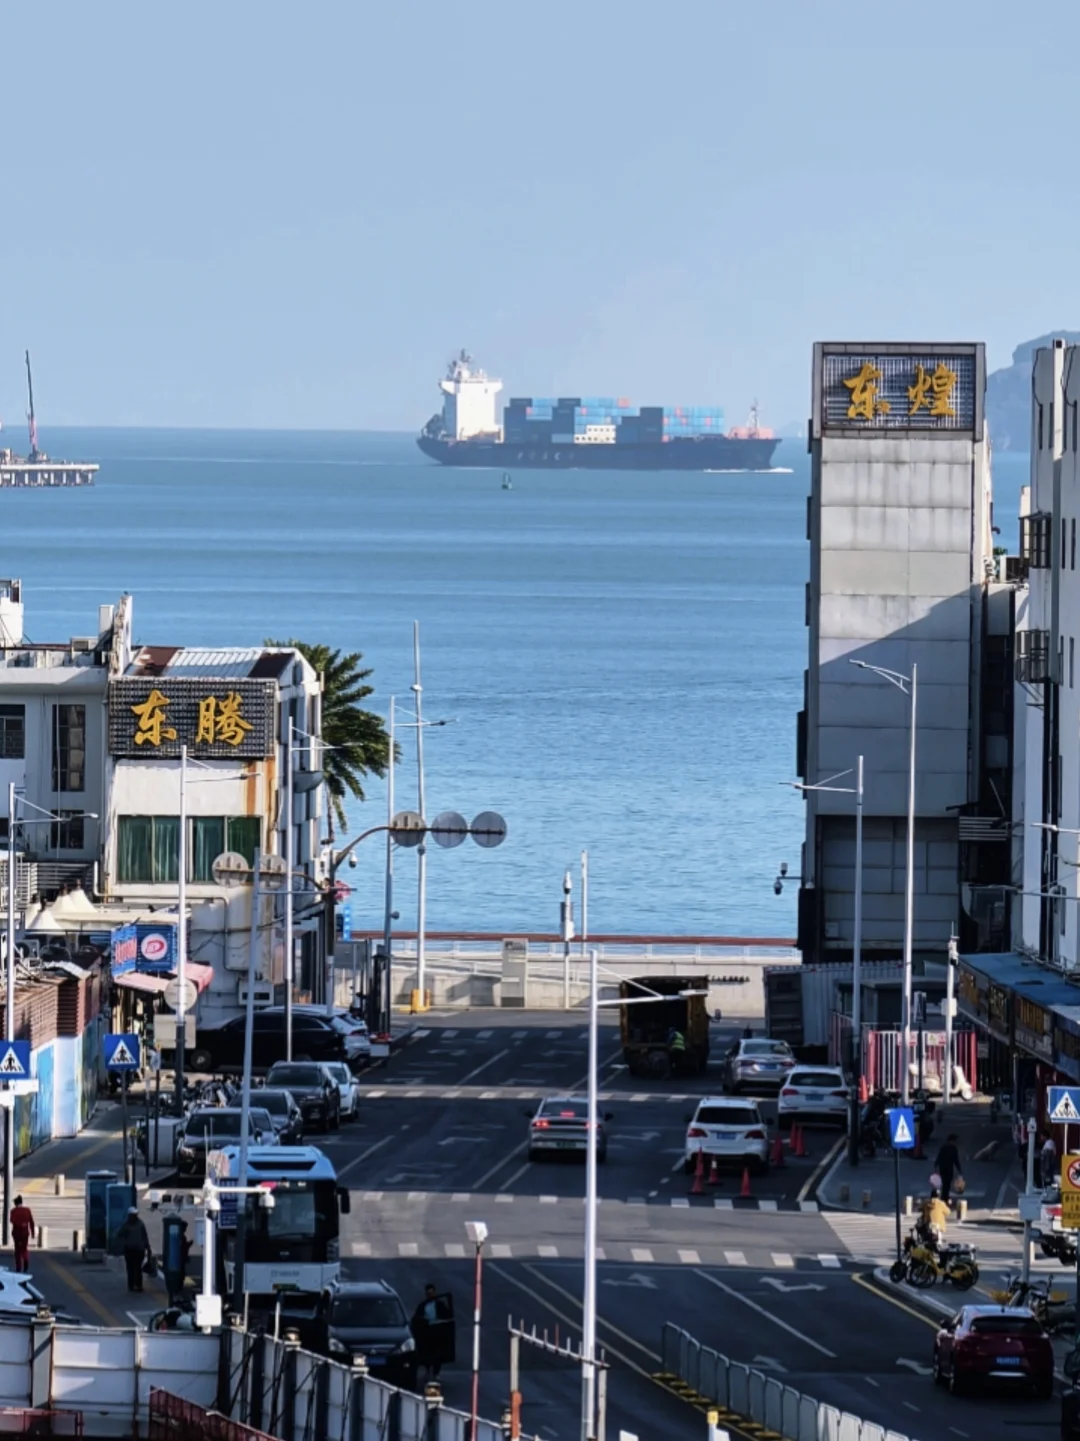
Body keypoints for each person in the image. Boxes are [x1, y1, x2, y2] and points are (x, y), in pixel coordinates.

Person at [411, 1283, 453, 1382]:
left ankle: (436, 1373)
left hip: (437, 1332)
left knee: (438, 1354)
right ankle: (427, 1370)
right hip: (427, 1333)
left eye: (432, 1293)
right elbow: (416, 1318)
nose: (430, 1295)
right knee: (426, 1354)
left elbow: (448, 1316)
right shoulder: (422, 1306)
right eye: (428, 1293)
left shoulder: (440, 1305)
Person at [117, 1206, 151, 1293]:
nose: (134, 1216)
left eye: (135, 1214)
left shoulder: (140, 1224)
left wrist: (148, 1247)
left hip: (139, 1249)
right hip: (129, 1249)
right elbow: (119, 1234)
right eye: (133, 1215)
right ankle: (131, 1285)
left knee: (138, 1268)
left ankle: (139, 1285)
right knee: (130, 1268)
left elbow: (145, 1236)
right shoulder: (126, 1225)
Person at [933, 1133, 962, 1206]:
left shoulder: (943, 1147)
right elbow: (956, 1160)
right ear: (951, 1140)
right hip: (949, 1169)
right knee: (947, 1184)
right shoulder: (953, 1148)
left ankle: (944, 1197)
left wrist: (936, 1166)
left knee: (944, 1184)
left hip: (942, 1168)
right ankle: (945, 1198)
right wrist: (959, 1170)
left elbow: (939, 1157)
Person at [9, 1196, 35, 1272]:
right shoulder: (27, 1210)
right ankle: (26, 1261)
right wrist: (32, 1232)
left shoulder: (13, 1211)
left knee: (17, 1251)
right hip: (25, 1233)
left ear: (16, 1203)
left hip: (17, 1233)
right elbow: (31, 1222)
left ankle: (18, 1267)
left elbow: (12, 1220)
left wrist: (19, 1224)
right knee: (24, 1249)